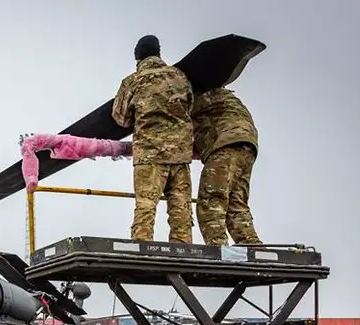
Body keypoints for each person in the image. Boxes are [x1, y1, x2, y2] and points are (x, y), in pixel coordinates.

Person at [111, 34, 194, 243]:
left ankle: (142, 247)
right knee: (181, 209)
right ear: (158, 53)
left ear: (137, 57)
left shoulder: (132, 81)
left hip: (150, 153)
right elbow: (189, 107)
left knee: (146, 206)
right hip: (181, 154)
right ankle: (184, 252)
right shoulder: (179, 76)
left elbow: (120, 118)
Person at [191, 87, 261, 245]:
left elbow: (168, 128)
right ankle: (252, 246)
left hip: (225, 145)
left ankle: (218, 247)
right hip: (246, 147)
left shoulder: (200, 95)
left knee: (211, 199)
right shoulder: (226, 98)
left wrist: (129, 147)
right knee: (236, 203)